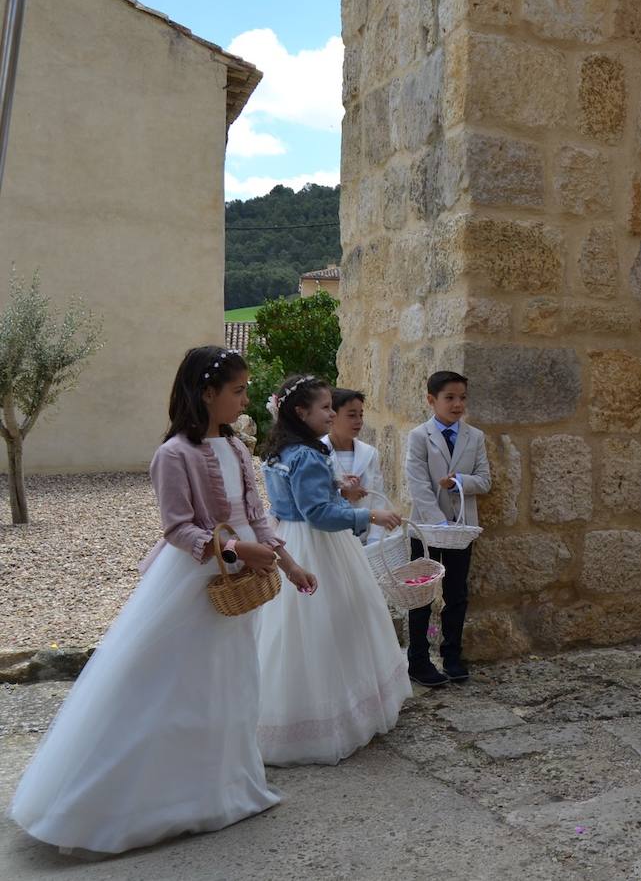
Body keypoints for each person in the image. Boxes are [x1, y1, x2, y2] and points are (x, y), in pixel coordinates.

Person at [8, 347, 317, 854]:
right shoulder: (173, 454)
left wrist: (289, 562)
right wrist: (238, 549)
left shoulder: (239, 448)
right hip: (195, 583)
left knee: (230, 682)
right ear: (206, 393)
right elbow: (178, 528)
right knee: (174, 686)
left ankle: (224, 790)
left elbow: (257, 514)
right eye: (237, 391)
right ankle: (130, 802)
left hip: (243, 576)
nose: (245, 400)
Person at [255, 374, 411, 765]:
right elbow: (319, 514)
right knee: (330, 624)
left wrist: (339, 490)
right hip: (317, 544)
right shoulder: (306, 454)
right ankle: (330, 718)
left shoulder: (282, 450)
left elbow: (298, 499)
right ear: (299, 411)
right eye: (325, 408)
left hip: (290, 534)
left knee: (295, 630)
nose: (330, 414)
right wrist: (368, 514)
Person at [404, 370, 491, 687]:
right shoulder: (418, 437)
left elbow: (484, 480)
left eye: (462, 398)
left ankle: (452, 655)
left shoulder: (475, 437)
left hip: (461, 529)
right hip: (426, 530)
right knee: (422, 595)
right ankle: (418, 659)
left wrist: (458, 482)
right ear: (432, 400)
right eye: (449, 398)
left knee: (456, 594)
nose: (457, 405)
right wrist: (437, 522)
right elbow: (417, 484)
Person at [322, 387, 386, 544]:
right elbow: (313, 495)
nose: (358, 421)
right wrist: (342, 493)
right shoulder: (317, 452)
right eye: (351, 415)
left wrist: (375, 538)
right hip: (329, 538)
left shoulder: (370, 453)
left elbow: (378, 497)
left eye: (361, 415)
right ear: (332, 416)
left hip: (365, 537)